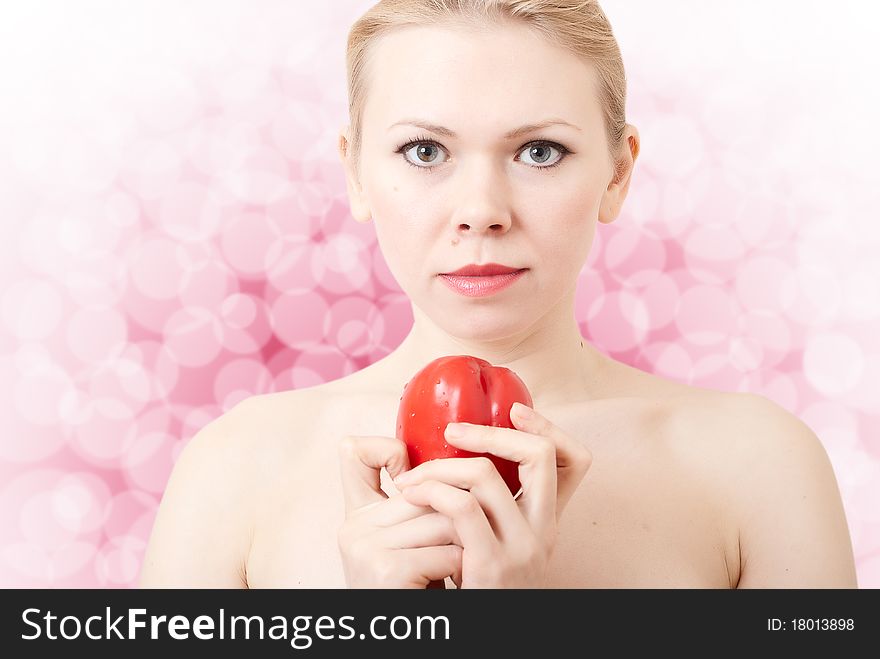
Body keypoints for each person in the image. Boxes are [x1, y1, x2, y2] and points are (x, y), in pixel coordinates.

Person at [139, 0, 858, 589]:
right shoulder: (234, 467)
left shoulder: (758, 468)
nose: (481, 208)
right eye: (425, 151)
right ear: (355, 172)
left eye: (539, 151)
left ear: (616, 173)